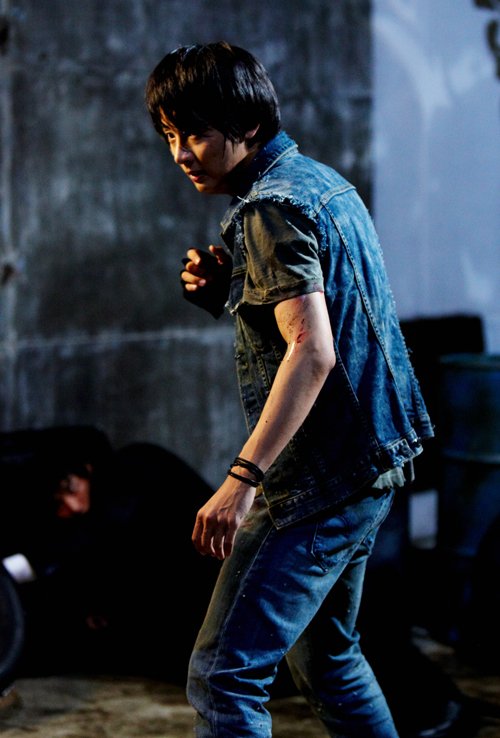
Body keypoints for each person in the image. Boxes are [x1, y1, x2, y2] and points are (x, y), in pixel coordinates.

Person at [145, 42, 435, 738]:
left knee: (223, 678)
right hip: (371, 460)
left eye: (195, 134)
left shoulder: (269, 209)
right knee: (329, 659)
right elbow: (332, 312)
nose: (181, 154)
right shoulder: (321, 182)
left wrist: (241, 480)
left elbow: (313, 352)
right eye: (170, 136)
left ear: (246, 125)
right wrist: (234, 287)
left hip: (320, 477)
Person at [0, 426, 220, 686]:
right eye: (57, 502)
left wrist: (9, 572)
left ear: (87, 468)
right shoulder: (96, 509)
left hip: (208, 602)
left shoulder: (134, 468)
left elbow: (93, 534)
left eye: (71, 487)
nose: (73, 505)